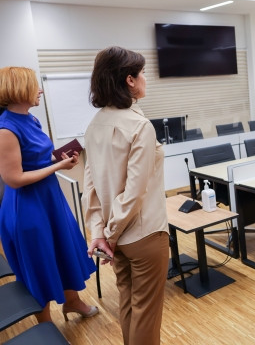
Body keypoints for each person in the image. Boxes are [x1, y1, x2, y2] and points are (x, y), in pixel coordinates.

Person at [82, 46, 169, 345]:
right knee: (146, 313)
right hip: (144, 233)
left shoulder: (94, 124)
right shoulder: (140, 126)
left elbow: (90, 187)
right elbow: (135, 192)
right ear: (129, 80)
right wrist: (111, 234)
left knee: (129, 305)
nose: (145, 78)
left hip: (115, 236)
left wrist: (100, 233)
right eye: (142, 73)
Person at [0, 66, 98, 323]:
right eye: (35, 85)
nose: (40, 90)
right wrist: (58, 166)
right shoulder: (6, 130)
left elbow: (37, 159)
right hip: (27, 208)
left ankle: (72, 302)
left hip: (49, 199)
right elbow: (14, 178)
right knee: (39, 262)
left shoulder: (31, 119)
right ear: (19, 89)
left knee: (64, 249)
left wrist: (58, 159)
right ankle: (45, 325)